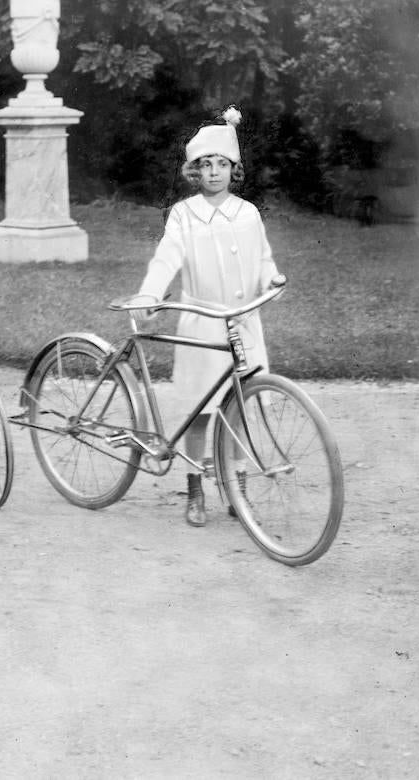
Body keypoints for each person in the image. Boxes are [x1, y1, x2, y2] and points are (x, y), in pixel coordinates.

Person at [129, 106, 280, 526]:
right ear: (194, 171)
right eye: (205, 165)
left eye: (222, 164)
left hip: (244, 324)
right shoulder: (185, 214)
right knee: (202, 411)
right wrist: (150, 290)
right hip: (202, 323)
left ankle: (238, 485)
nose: (214, 172)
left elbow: (263, 258)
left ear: (235, 169)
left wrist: (271, 278)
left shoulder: (248, 213)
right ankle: (195, 484)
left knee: (243, 408)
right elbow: (167, 258)